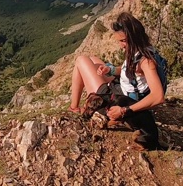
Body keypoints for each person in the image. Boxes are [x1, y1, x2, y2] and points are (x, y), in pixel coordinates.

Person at [68, 11, 165, 146]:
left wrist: (124, 110)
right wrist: (111, 70)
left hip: (121, 102)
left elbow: (158, 96)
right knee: (92, 59)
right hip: (121, 90)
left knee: (81, 60)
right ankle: (76, 105)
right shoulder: (142, 50)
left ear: (133, 37)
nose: (121, 45)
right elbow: (132, 72)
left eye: (123, 41)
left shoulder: (146, 62)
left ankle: (74, 108)